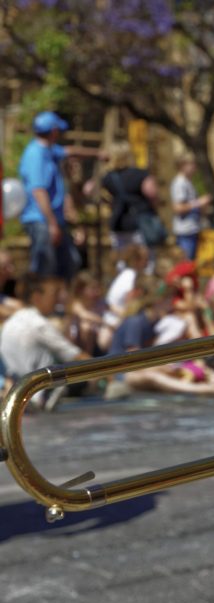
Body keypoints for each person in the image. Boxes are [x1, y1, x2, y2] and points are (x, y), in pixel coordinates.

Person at [18, 111, 102, 282]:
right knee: (45, 266)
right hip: (41, 220)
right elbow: (38, 191)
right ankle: (39, 303)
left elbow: (70, 151)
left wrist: (97, 153)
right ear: (54, 131)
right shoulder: (35, 155)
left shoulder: (49, 150)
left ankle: (60, 303)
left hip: (54, 220)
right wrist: (52, 223)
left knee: (70, 262)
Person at [0, 274, 89, 409]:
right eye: (53, 295)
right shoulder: (38, 323)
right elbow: (75, 355)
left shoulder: (10, 323)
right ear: (37, 297)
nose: (55, 300)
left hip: (15, 392)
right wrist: (108, 374)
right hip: (39, 393)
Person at [101, 141, 160, 254]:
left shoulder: (108, 177)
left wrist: (110, 203)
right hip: (140, 222)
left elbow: (89, 190)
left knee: (122, 260)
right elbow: (151, 193)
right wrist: (154, 208)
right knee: (144, 259)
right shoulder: (140, 174)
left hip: (118, 222)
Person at [170, 153, 212, 261]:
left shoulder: (188, 182)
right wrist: (199, 203)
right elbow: (178, 208)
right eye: (192, 164)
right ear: (183, 165)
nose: (195, 167)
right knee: (185, 263)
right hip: (185, 231)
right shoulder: (180, 183)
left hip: (192, 228)